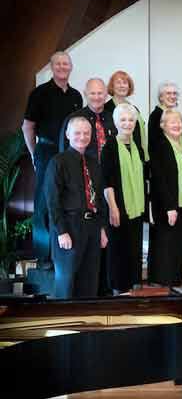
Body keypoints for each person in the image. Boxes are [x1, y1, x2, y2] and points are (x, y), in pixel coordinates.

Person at [22, 51, 83, 268]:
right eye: (58, 64)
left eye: (66, 63)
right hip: (46, 152)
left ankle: (62, 251)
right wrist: (34, 153)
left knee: (67, 201)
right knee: (44, 203)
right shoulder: (39, 93)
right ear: (51, 66)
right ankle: (44, 257)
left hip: (69, 154)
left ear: (70, 67)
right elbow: (27, 126)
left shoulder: (76, 96)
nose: (62, 67)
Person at [44, 117, 108, 298]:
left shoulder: (94, 163)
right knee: (67, 283)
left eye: (86, 133)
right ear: (67, 134)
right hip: (69, 227)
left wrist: (102, 229)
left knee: (89, 283)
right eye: (77, 133)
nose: (82, 137)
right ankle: (63, 324)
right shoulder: (58, 162)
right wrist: (61, 231)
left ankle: (85, 325)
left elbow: (99, 199)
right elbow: (52, 200)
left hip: (92, 227)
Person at [147, 109, 182, 286]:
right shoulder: (161, 145)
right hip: (167, 206)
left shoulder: (181, 145)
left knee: (176, 247)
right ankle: (164, 284)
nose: (177, 125)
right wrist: (170, 207)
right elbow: (160, 180)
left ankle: (173, 284)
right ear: (163, 126)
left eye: (179, 122)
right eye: (172, 122)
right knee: (166, 247)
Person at [101, 104, 145, 294]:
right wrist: (113, 207)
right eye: (123, 120)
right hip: (118, 206)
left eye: (131, 120)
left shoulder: (138, 148)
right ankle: (118, 287)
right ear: (116, 122)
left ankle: (134, 282)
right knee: (118, 248)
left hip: (136, 207)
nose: (127, 123)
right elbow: (107, 180)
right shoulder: (109, 146)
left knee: (134, 247)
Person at [59, 78, 116, 162]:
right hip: (83, 171)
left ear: (106, 95)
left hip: (109, 171)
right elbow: (63, 152)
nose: (96, 97)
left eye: (100, 93)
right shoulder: (73, 119)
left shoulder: (113, 118)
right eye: (92, 93)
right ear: (85, 94)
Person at [104, 70, 148, 159]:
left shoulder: (134, 109)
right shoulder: (106, 109)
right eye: (118, 83)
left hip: (137, 156)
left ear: (129, 87)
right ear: (112, 86)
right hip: (117, 157)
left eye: (125, 83)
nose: (122, 86)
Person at [148, 81, 179, 151]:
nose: (172, 96)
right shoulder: (156, 116)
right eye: (168, 93)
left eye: (174, 93)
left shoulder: (174, 114)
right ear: (161, 97)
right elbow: (155, 145)